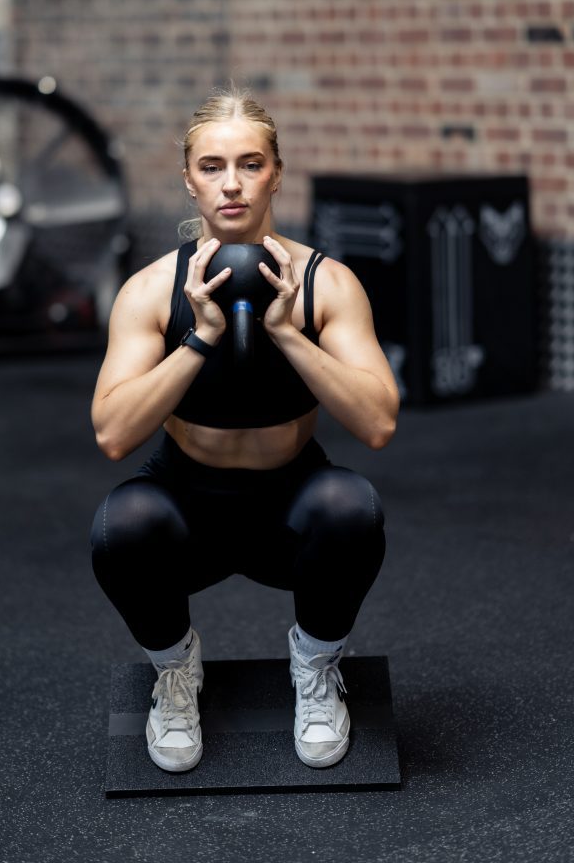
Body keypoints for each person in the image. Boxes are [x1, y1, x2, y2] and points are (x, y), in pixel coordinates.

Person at [90, 86, 399, 773]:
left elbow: (377, 423)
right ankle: (174, 672)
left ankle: (315, 668)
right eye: (211, 166)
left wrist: (288, 335)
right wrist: (197, 338)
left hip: (290, 506)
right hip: (185, 504)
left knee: (351, 505)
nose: (231, 183)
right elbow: (113, 434)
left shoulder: (328, 283)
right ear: (188, 180)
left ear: (277, 173)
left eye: (250, 163)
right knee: (120, 525)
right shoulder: (147, 292)